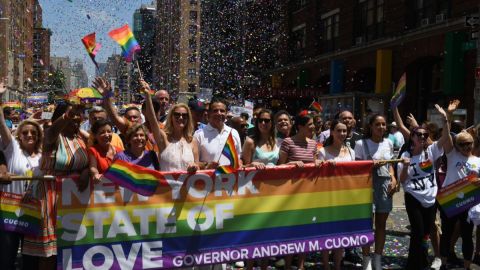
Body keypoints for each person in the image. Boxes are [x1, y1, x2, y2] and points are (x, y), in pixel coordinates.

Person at [23, 101, 90, 269]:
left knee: (72, 248)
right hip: (50, 197)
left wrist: (86, 171)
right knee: (50, 252)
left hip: (74, 200)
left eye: (77, 116)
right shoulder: (51, 136)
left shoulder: (80, 138)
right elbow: (52, 130)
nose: (75, 118)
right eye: (70, 115)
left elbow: (93, 158)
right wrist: (67, 116)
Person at [397, 103, 450, 270]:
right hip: (413, 197)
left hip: (430, 198)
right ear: (412, 137)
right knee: (418, 232)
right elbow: (403, 180)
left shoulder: (431, 151)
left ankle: (421, 261)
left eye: (424, 135)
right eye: (418, 135)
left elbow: (445, 138)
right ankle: (414, 264)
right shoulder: (405, 155)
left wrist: (445, 118)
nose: (421, 137)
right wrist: (405, 166)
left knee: (426, 232)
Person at [0, 83, 43, 270]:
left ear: (39, 135)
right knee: (6, 259)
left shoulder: (43, 155)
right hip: (10, 211)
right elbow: (1, 123)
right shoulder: (12, 149)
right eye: (25, 132)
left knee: (31, 262)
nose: (29, 135)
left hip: (33, 213)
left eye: (33, 132)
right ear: (19, 135)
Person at [278, 111, 323, 269]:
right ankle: (288, 265)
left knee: (305, 230)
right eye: (310, 124)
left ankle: (301, 265)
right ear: (300, 126)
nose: (314, 127)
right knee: (291, 230)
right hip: (291, 193)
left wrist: (318, 164)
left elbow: (315, 163)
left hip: (309, 192)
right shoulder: (288, 142)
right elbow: (279, 167)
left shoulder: (313, 143)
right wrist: (291, 164)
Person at [354, 114, 397, 270]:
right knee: (367, 225)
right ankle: (366, 259)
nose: (381, 127)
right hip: (367, 186)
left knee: (381, 224)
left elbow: (391, 164)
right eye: (377, 124)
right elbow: (357, 169)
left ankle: (377, 258)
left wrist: (393, 178)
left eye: (383, 124)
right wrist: (371, 165)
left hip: (385, 185)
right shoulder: (361, 144)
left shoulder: (389, 143)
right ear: (370, 126)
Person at [439, 100, 478, 270]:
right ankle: (444, 263)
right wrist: (447, 117)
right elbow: (446, 137)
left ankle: (467, 266)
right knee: (447, 234)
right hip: (451, 198)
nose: (466, 147)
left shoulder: (477, 160)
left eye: (469, 144)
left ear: (473, 144)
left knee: (467, 235)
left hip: (469, 202)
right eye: (462, 144)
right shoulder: (452, 155)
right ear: (457, 145)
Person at [318, 120, 355, 270]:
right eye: (339, 131)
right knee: (327, 234)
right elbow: (317, 175)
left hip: (346, 198)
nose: (342, 134)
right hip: (328, 198)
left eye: (344, 131)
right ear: (332, 132)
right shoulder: (323, 152)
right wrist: (326, 167)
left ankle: (337, 266)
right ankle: (327, 266)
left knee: (341, 235)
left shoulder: (351, 152)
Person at [140, 80, 199, 172]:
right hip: (166, 186)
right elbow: (152, 120)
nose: (180, 117)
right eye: (177, 114)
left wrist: (194, 166)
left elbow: (198, 167)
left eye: (184, 115)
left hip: (188, 186)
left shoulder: (192, 141)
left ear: (188, 118)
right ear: (171, 118)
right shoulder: (163, 138)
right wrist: (148, 95)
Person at [194, 97, 242, 170]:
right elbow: (194, 162)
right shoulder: (199, 135)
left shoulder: (234, 133)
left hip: (230, 180)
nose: (219, 113)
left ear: (226, 113)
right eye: (215, 111)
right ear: (209, 113)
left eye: (222, 111)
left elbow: (238, 159)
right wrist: (206, 165)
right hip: (207, 180)